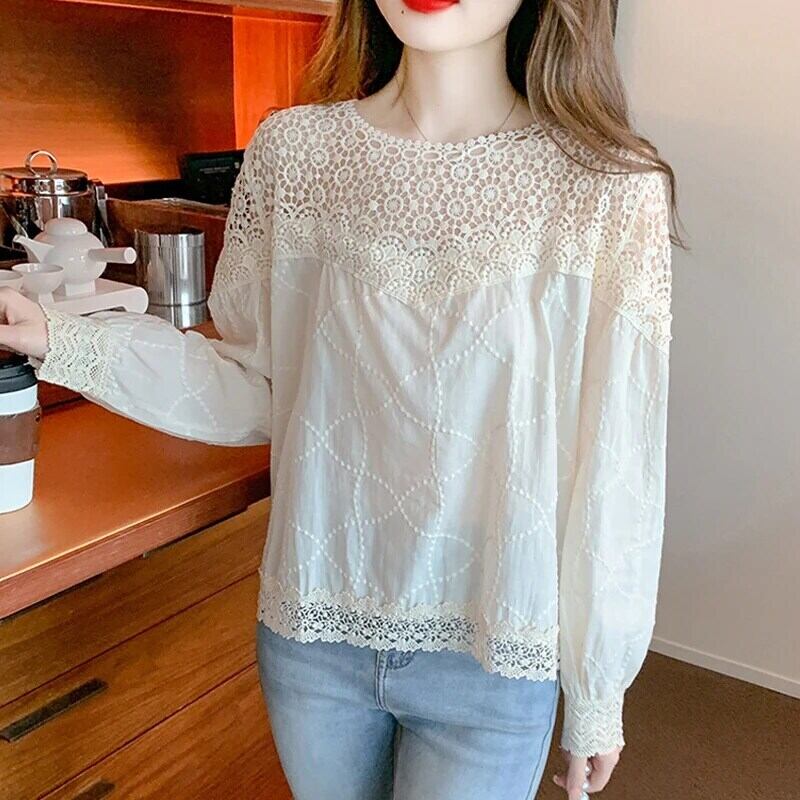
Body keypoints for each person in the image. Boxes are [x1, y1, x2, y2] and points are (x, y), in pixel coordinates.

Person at [0, 1, 684, 798]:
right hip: (312, 634)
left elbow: (616, 464)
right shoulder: (296, 153)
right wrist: (62, 339)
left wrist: (599, 689)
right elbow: (259, 389)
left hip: (492, 650)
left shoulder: (606, 186)